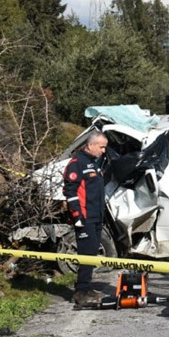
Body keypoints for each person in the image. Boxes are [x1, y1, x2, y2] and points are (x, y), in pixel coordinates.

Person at [63, 131, 108, 309]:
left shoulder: (94, 164)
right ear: (90, 145)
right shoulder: (77, 164)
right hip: (85, 218)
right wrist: (77, 217)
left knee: (91, 254)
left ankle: (87, 287)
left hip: (96, 216)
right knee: (86, 254)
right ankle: (81, 292)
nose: (104, 151)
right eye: (101, 147)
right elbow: (70, 192)